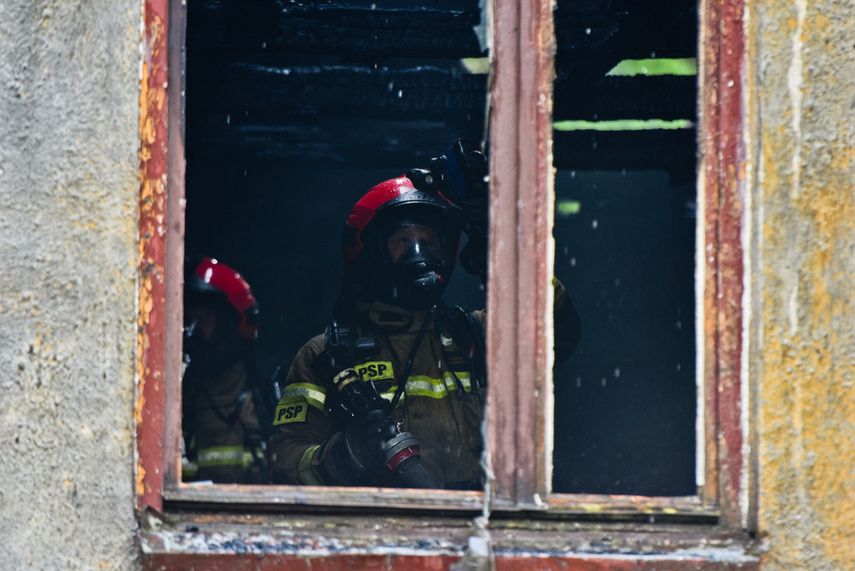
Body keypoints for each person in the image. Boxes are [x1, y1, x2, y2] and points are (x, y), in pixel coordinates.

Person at [268, 160, 581, 489]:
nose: (420, 254)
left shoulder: (474, 335)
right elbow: (284, 468)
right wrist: (347, 454)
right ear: (372, 253)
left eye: (429, 243)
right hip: (383, 535)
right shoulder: (327, 355)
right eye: (403, 241)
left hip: (480, 531)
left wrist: (508, 251)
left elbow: (559, 334)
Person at [182, 256, 273, 484]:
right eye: (189, 319)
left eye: (203, 317)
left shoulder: (264, 397)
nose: (192, 330)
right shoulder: (179, 396)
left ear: (228, 325)